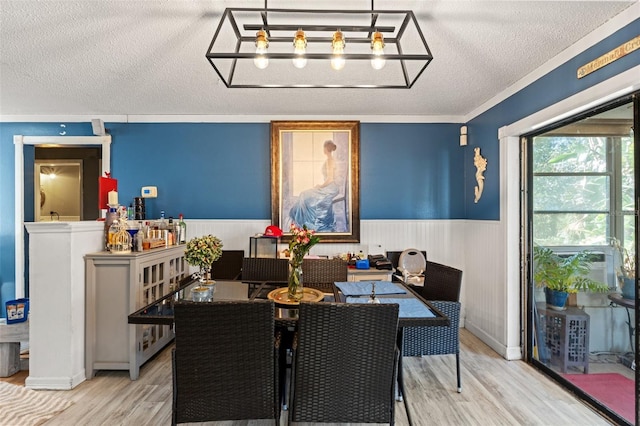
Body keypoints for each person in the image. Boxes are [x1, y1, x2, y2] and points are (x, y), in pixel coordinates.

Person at [289, 140, 340, 232]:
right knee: (305, 194)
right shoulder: (329, 159)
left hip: (331, 187)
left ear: (325, 148)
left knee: (305, 194)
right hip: (328, 186)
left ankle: (309, 222)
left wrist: (320, 186)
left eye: (323, 147)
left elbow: (330, 178)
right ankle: (307, 220)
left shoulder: (330, 160)